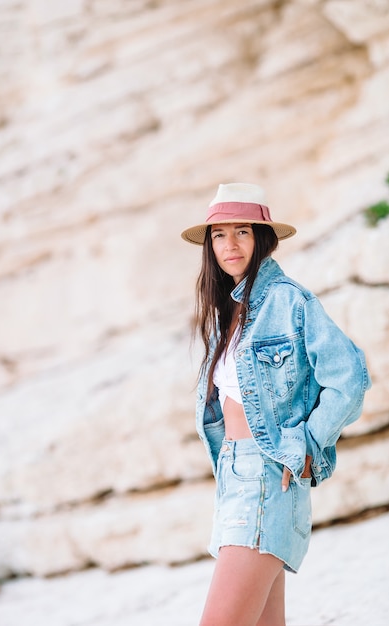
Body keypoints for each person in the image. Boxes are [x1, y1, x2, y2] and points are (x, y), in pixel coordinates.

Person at [181, 183, 371, 626]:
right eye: (219, 234)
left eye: (242, 231)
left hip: (268, 476)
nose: (229, 244)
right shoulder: (227, 316)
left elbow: (349, 377)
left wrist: (306, 441)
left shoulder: (288, 301)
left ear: (262, 238)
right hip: (233, 476)